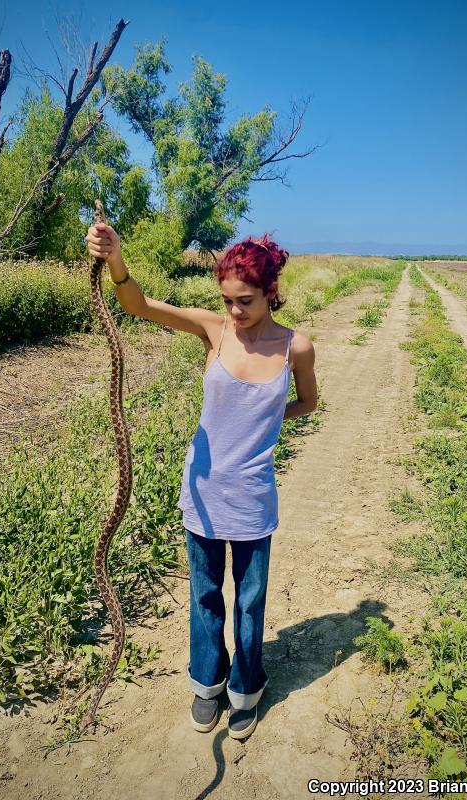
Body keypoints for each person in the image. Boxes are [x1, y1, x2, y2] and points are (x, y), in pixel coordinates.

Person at [85, 223, 318, 739]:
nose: (235, 311)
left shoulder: (294, 348)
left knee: (250, 601)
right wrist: (116, 258)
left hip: (254, 499)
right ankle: (207, 684)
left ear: (271, 293)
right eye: (228, 300)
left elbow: (308, 402)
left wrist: (268, 422)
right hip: (203, 494)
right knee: (205, 595)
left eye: (246, 301)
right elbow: (139, 306)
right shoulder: (213, 330)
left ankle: (246, 689)